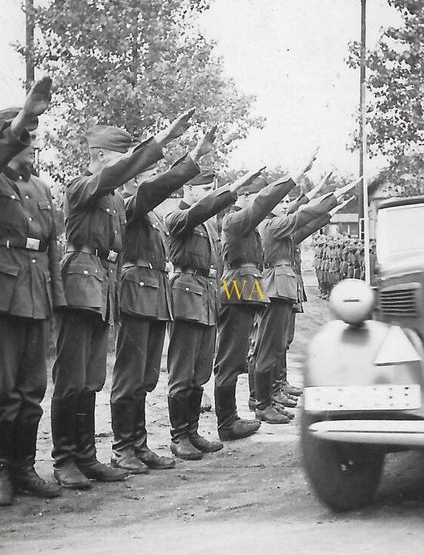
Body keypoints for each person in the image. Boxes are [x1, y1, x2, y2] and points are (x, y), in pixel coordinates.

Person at [50, 108, 195, 489]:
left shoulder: (115, 200)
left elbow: (149, 190)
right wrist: (162, 139)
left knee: (91, 379)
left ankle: (86, 457)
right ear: (98, 155)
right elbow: (117, 178)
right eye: (120, 157)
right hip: (79, 284)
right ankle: (65, 459)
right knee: (71, 379)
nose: (127, 165)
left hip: (103, 286)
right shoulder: (81, 186)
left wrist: (181, 154)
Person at [109, 128, 217, 474]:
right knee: (129, 376)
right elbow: (154, 192)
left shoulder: (152, 215)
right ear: (133, 179)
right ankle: (122, 448)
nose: (156, 179)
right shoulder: (129, 204)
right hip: (135, 293)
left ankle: (138, 444)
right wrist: (192, 158)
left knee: (145, 377)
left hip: (154, 296)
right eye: (150, 174)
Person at [0, 76, 64, 506]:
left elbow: (51, 248)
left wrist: (57, 299)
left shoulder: (41, 188)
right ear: (8, 137)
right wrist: (24, 117)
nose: (33, 144)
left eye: (34, 135)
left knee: (32, 388)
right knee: (4, 390)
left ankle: (24, 467)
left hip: (36, 293)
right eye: (26, 136)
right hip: (0, 292)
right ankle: (0, 472)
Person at [164, 166, 264, 459]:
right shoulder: (177, 215)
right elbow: (198, 212)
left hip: (206, 296)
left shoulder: (208, 225)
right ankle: (179, 435)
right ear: (189, 189)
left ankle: (192, 431)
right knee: (182, 371)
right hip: (185, 296)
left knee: (200, 371)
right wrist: (234, 187)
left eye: (212, 189)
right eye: (206, 189)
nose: (210, 194)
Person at [214, 158, 314, 440]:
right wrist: (294, 176)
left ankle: (236, 415)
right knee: (233, 357)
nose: (261, 204)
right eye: (256, 197)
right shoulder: (234, 219)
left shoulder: (245, 223)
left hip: (245, 287)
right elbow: (264, 205)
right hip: (237, 288)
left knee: (238, 357)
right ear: (245, 196)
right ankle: (232, 418)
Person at [253, 180, 339, 424]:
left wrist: (328, 212)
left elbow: (303, 229)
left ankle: (268, 399)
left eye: (286, 201)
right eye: (280, 201)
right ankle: (262, 403)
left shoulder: (276, 225)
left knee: (276, 346)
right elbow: (300, 217)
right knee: (268, 349)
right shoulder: (271, 225)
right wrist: (330, 200)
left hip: (280, 287)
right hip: (275, 288)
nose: (285, 205)